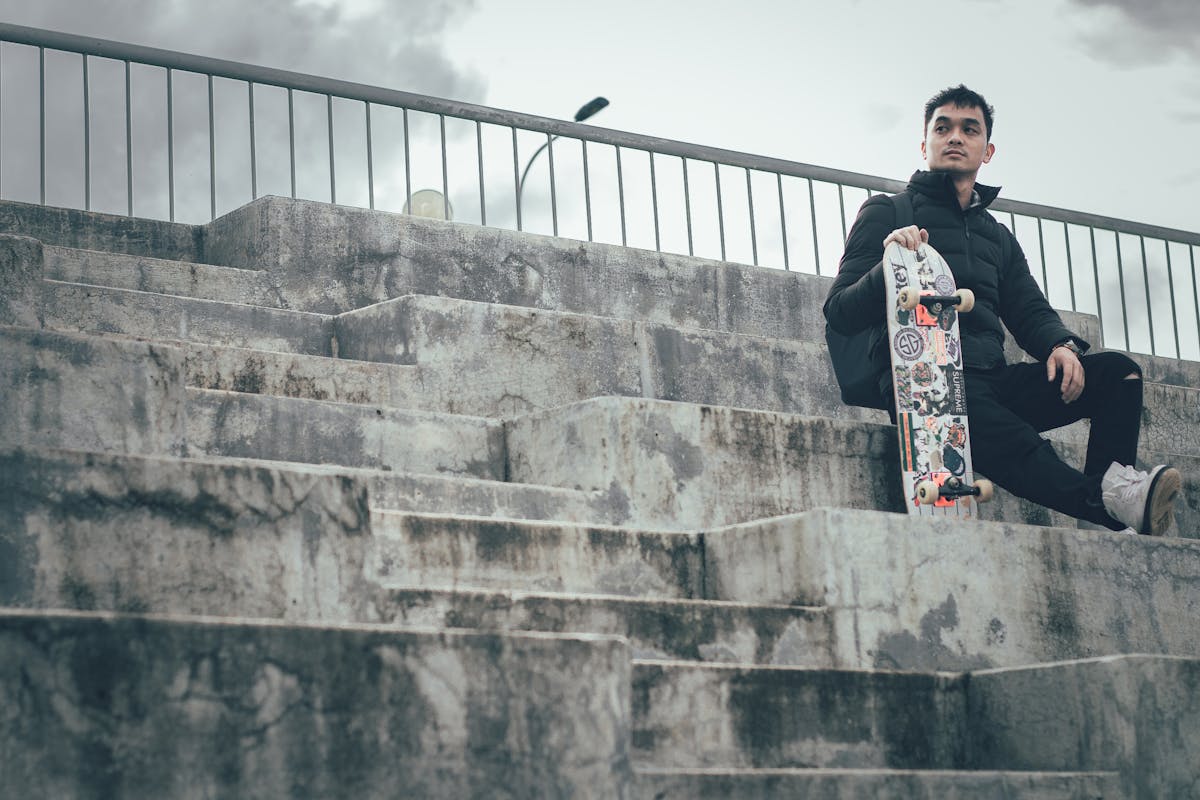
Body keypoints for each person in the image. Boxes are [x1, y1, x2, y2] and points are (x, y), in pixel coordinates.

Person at [823, 84, 1182, 535]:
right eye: (943, 128)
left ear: (986, 150)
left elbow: (1028, 305)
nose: (955, 136)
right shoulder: (886, 213)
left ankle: (1117, 488)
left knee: (1117, 374)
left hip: (991, 377)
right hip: (925, 385)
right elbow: (839, 311)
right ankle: (1107, 505)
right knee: (1010, 436)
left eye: (969, 129)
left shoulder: (998, 236)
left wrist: (1059, 344)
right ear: (925, 144)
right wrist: (888, 264)